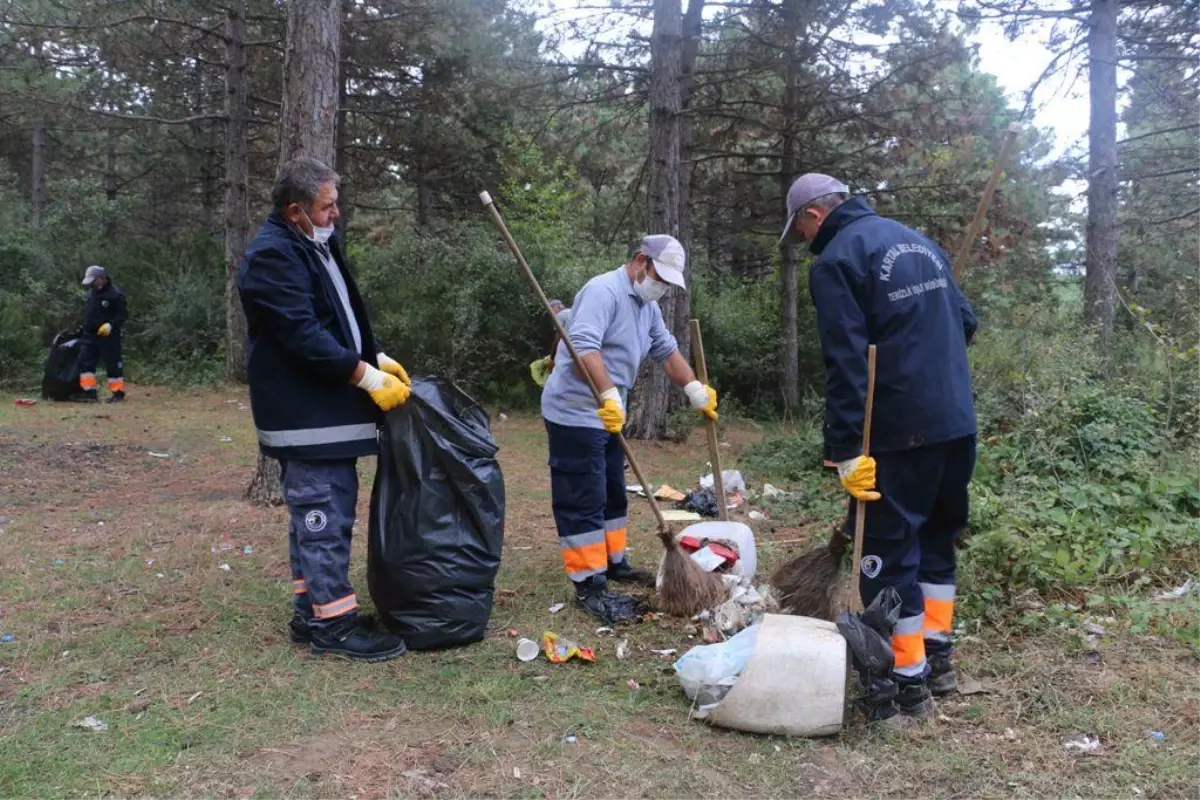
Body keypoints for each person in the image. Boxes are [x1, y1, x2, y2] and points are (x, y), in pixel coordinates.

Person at [780, 173, 978, 725]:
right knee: (938, 541)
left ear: (812, 216)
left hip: (897, 430)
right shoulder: (919, 242)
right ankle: (939, 659)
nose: (805, 244)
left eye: (800, 232)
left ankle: (904, 682)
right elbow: (966, 322)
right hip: (957, 422)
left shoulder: (837, 261)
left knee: (888, 556)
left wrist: (845, 450)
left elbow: (845, 363)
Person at [238, 156, 412, 662]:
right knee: (323, 517)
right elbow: (304, 337)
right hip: (304, 415)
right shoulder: (272, 256)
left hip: (326, 412)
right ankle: (334, 626)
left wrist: (374, 353)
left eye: (336, 203)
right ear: (296, 210)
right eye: (326, 206)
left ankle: (310, 612)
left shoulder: (316, 243)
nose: (336, 214)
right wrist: (365, 375)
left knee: (316, 515)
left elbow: (341, 314)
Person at [540, 234, 719, 623]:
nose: (663, 288)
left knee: (613, 492)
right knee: (583, 495)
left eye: (670, 283)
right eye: (661, 278)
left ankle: (613, 561)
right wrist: (608, 394)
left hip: (608, 411)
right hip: (575, 411)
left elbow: (666, 350)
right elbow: (585, 345)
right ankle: (589, 583)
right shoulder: (602, 292)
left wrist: (693, 389)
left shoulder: (645, 306)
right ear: (641, 261)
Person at [77, 265, 128, 403]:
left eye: (93, 280)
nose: (91, 284)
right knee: (85, 363)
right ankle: (89, 392)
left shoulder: (115, 294)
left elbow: (122, 315)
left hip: (108, 336)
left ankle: (117, 393)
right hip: (89, 336)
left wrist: (110, 325)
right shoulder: (91, 293)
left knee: (112, 364)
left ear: (101, 278)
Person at [531, 299, 573, 388]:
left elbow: (558, 338)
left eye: (550, 309)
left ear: (558, 306)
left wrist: (552, 358)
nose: (550, 314)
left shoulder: (560, 315)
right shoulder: (574, 312)